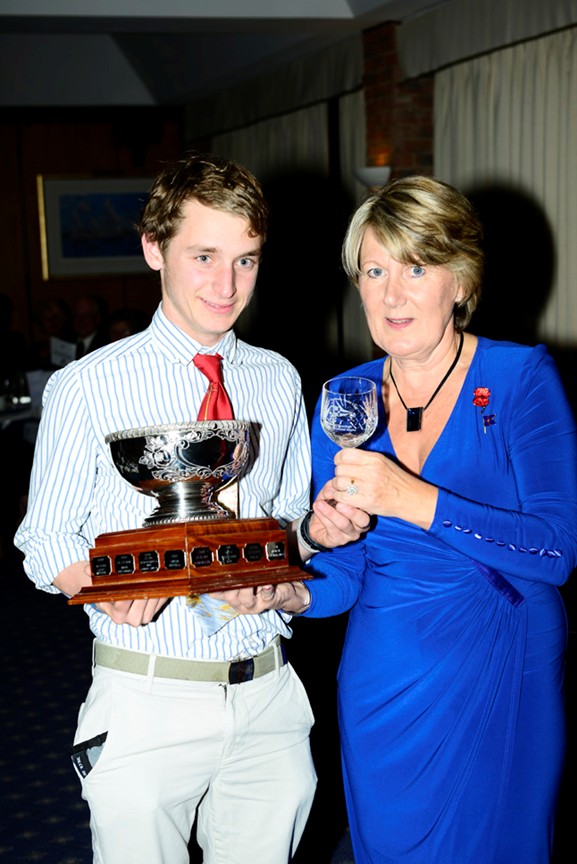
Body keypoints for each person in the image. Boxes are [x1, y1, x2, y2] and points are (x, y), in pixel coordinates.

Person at [14, 151, 368, 864]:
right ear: (155, 249)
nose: (225, 284)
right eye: (203, 256)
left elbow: (280, 524)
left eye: (245, 260)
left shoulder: (277, 378)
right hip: (148, 695)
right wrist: (104, 584)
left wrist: (313, 533)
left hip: (267, 692)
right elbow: (43, 538)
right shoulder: (87, 384)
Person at [247, 176, 577, 863]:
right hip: (386, 674)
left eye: (416, 268)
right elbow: (345, 570)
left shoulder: (519, 378)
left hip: (506, 658)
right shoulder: (343, 399)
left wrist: (414, 500)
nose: (391, 294)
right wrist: (293, 591)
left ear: (460, 281)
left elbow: (554, 551)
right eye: (374, 271)